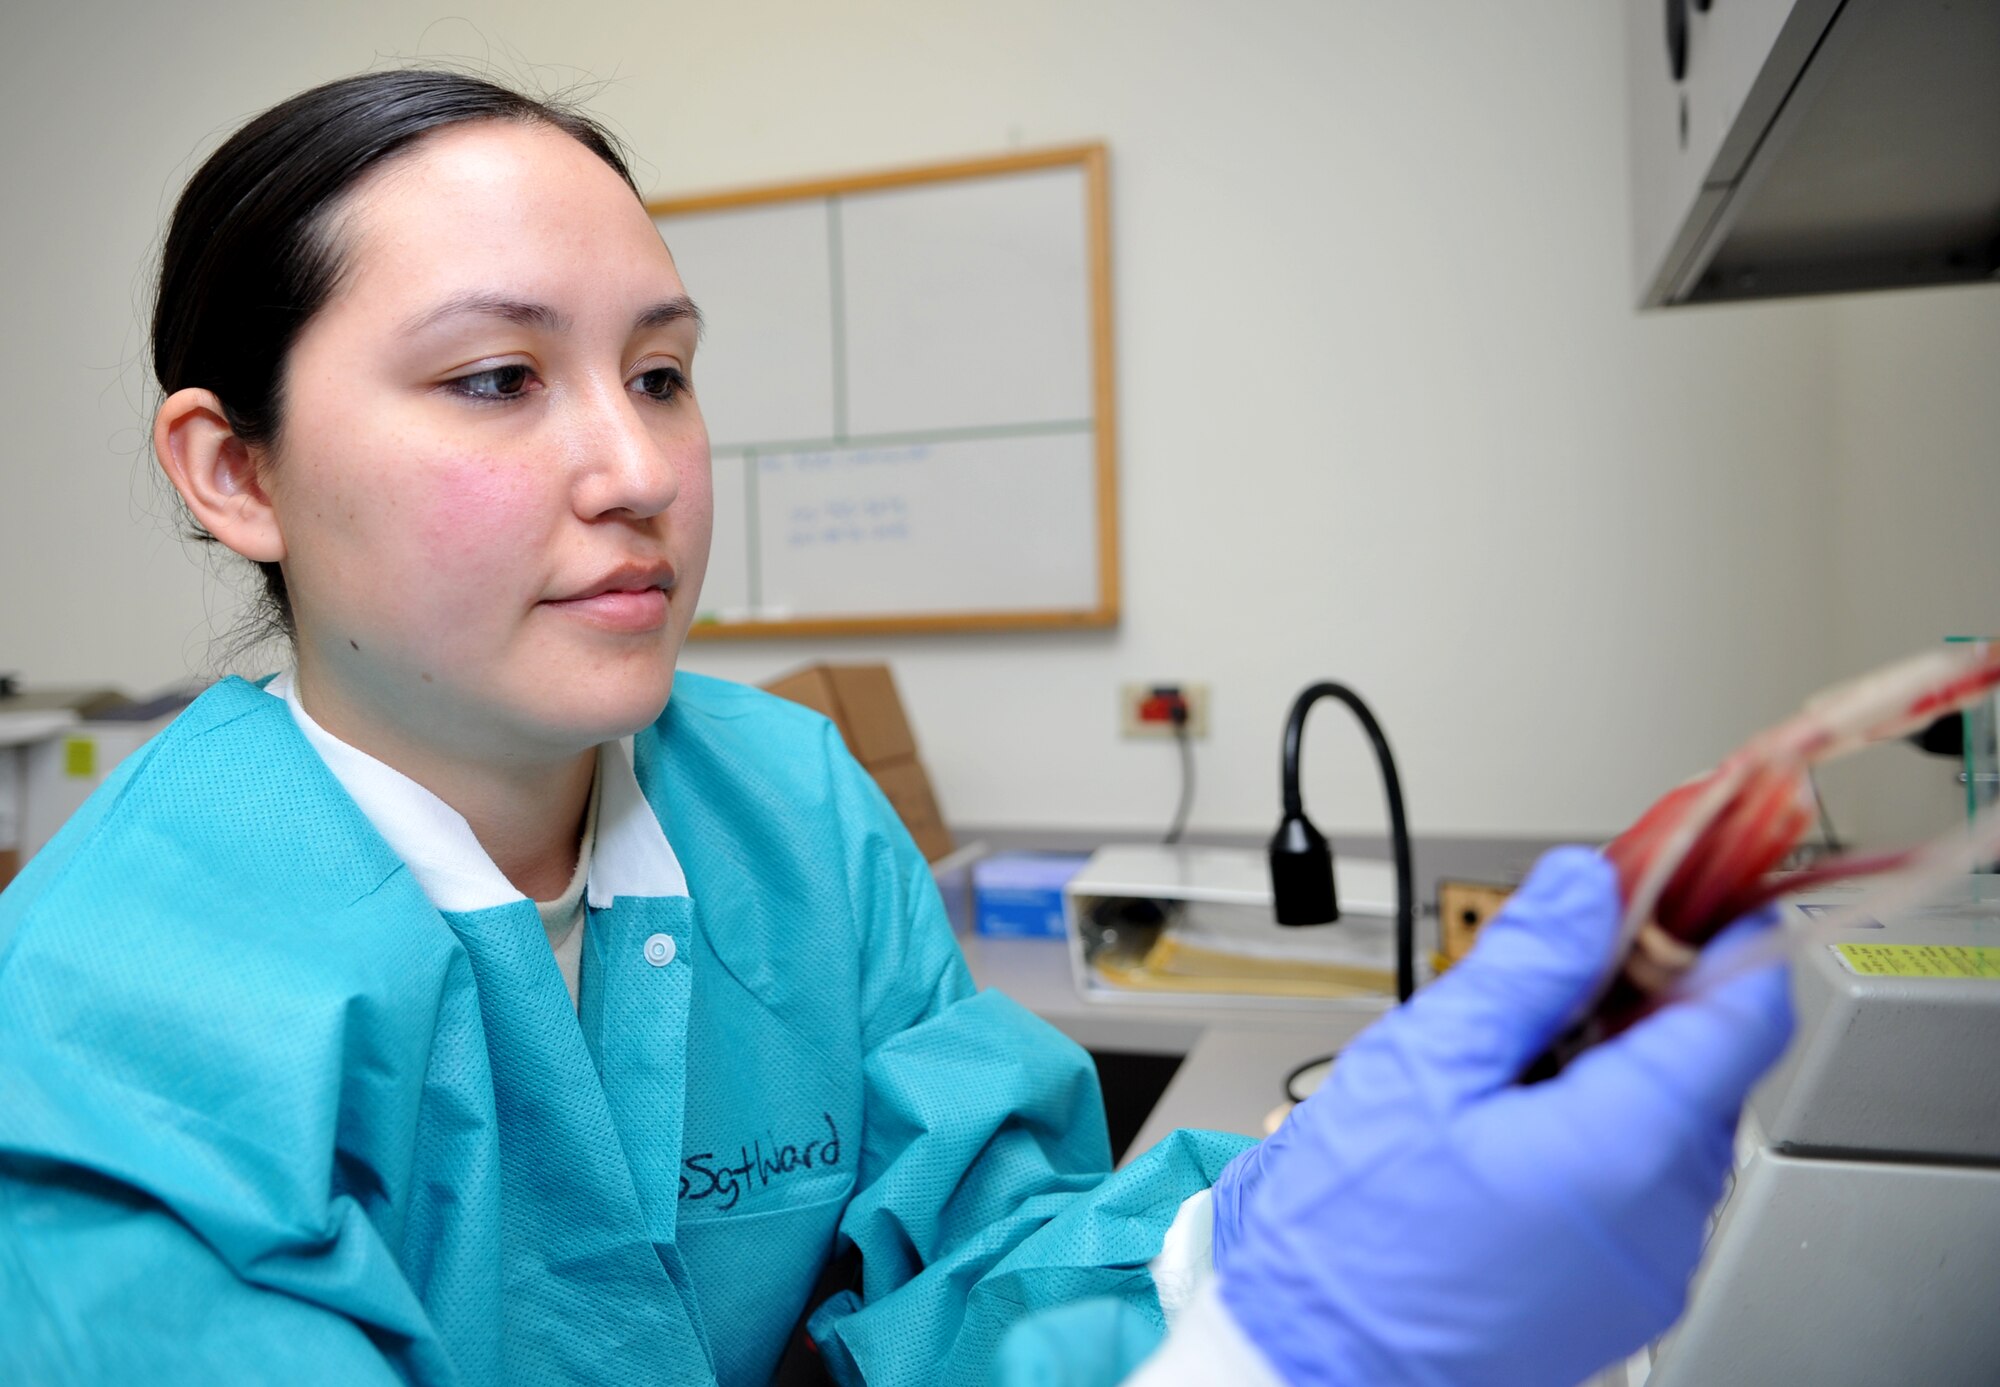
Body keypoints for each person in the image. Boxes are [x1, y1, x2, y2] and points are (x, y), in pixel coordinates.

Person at [0, 71, 1792, 1387]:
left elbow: (976, 1266)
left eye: (663, 373)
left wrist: (1247, 1250)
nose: (638, 472)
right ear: (234, 471)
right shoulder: (98, 1025)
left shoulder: (779, 797)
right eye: (495, 380)